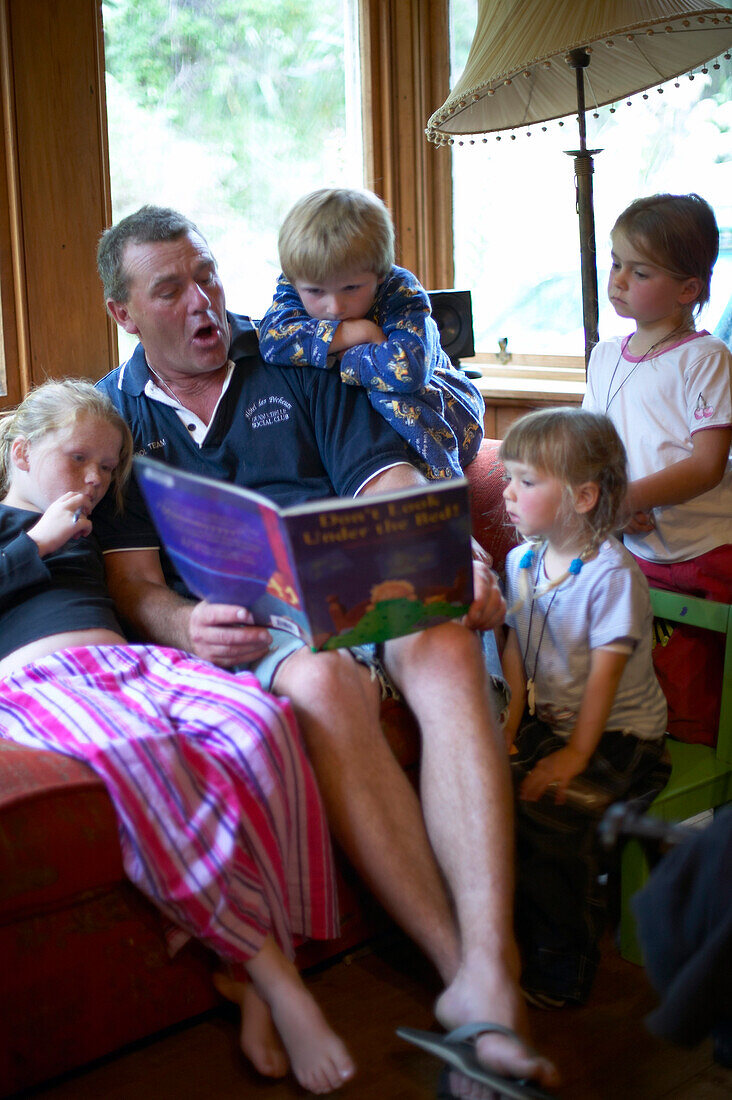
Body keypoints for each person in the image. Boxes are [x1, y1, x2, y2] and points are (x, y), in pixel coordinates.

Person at [92, 204, 559, 1098]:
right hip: (257, 627)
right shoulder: (117, 419)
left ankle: (489, 970)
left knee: (447, 637)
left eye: (208, 276)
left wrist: (442, 546)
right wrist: (179, 623)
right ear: (125, 313)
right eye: (171, 290)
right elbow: (131, 583)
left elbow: (384, 475)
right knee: (319, 683)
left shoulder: (295, 353)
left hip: (358, 582)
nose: (202, 303)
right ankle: (461, 969)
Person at [0, 379, 355, 1095]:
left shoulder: (100, 523)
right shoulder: (20, 525)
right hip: (37, 682)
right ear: (23, 451)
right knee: (144, 753)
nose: (96, 481)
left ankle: (247, 979)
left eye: (108, 467)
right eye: (79, 461)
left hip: (129, 664)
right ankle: (274, 978)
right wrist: (36, 542)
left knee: (260, 720)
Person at [499, 407, 669, 1007]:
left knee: (552, 820)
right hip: (555, 727)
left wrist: (574, 755)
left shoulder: (611, 576)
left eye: (526, 480)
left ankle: (565, 963)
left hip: (625, 739)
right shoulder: (522, 561)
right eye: (508, 478)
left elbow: (604, 678)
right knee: (492, 794)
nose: (508, 492)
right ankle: (514, 938)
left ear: (584, 495)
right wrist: (512, 719)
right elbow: (516, 648)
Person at [583, 193, 732, 747]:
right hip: (635, 550)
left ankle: (700, 820)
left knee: (698, 704)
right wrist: (610, 506)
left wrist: (624, 498)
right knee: (643, 691)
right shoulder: (604, 356)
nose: (618, 279)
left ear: (689, 289)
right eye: (616, 262)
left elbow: (707, 464)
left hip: (703, 553)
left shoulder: (704, 357)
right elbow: (591, 445)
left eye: (639, 271)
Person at [258, 187, 484, 480]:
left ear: (379, 273)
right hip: (370, 419)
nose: (335, 307)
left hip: (446, 405)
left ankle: (441, 495)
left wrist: (329, 354)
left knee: (388, 391)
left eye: (351, 288)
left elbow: (406, 370)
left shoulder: (400, 289)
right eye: (315, 292)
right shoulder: (295, 283)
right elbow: (271, 340)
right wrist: (359, 332)